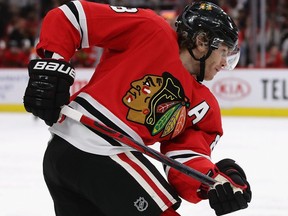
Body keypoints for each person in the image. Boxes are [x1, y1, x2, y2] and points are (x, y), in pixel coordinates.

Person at [23, 1, 252, 215]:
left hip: (70, 159)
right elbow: (71, 17)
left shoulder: (203, 105)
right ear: (202, 42)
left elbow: (186, 159)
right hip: (95, 150)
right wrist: (52, 64)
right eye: (223, 51)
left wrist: (211, 182)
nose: (225, 63)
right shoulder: (151, 30)